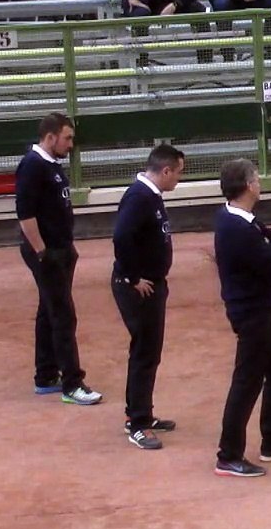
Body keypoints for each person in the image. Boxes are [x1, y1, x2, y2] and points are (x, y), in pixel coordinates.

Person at [213, 159, 271, 477]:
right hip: (253, 314)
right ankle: (228, 455)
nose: (259, 183)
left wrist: (270, 242)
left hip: (260, 311)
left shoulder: (236, 219)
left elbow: (267, 245)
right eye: (255, 178)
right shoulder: (239, 229)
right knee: (246, 383)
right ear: (248, 185)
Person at [15, 113, 102, 406]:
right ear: (50, 137)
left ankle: (46, 375)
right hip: (47, 253)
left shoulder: (50, 164)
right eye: (67, 138)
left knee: (48, 310)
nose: (71, 144)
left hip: (61, 250)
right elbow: (26, 215)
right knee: (63, 315)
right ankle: (72, 384)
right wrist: (43, 252)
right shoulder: (32, 166)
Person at [111, 144, 185, 450]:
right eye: (178, 172)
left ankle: (140, 412)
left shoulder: (150, 196)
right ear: (165, 171)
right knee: (144, 352)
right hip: (140, 288)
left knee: (148, 352)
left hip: (151, 285)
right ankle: (138, 424)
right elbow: (121, 236)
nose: (179, 179)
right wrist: (132, 277)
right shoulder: (140, 197)